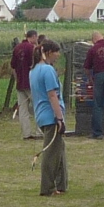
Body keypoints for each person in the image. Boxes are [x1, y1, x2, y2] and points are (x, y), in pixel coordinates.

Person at [31, 37, 68, 196]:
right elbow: (52, 95)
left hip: (41, 115)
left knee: (59, 150)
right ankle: (47, 188)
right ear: (48, 52)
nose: (58, 56)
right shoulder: (47, 70)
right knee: (51, 153)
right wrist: (59, 118)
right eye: (56, 53)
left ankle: (61, 184)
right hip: (50, 116)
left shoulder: (33, 70)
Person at [10, 28, 39, 140]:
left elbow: (13, 66)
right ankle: (39, 131)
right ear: (34, 36)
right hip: (31, 82)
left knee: (23, 109)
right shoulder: (33, 48)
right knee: (38, 106)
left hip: (20, 82)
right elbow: (36, 64)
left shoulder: (17, 48)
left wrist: (17, 78)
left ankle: (26, 133)